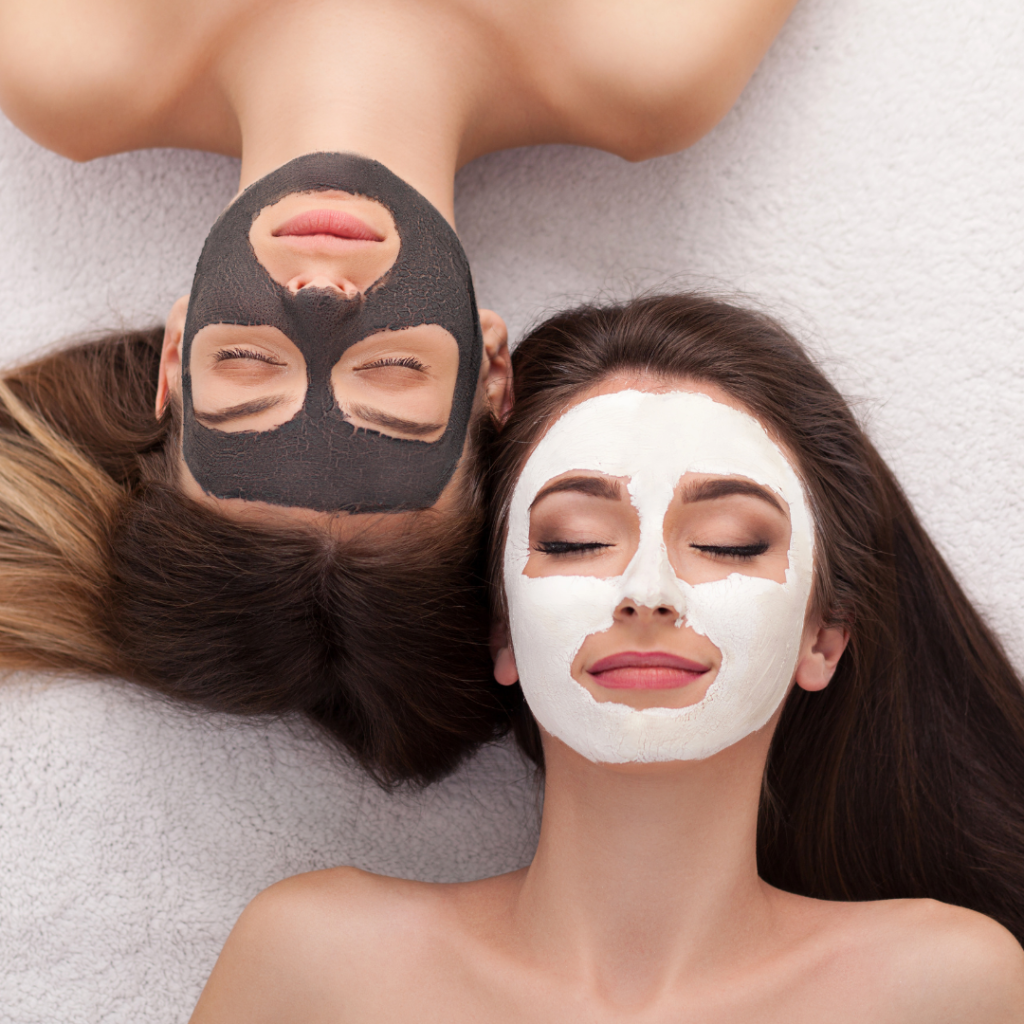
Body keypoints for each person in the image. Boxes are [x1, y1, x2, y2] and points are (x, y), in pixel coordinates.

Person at [0, 0, 799, 782]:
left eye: (248, 363)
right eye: (391, 372)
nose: (321, 302)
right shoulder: (651, 63)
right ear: (492, 370)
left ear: (176, 354)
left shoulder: (72, 61)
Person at [188, 295, 1024, 1020]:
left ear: (824, 636)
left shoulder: (944, 987)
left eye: (729, 546)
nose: (649, 591)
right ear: (502, 630)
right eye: (576, 540)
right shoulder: (320, 966)